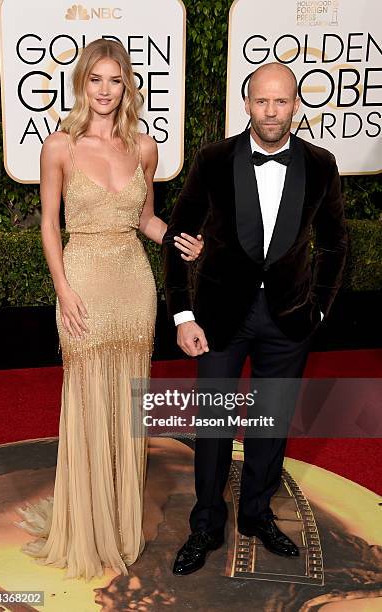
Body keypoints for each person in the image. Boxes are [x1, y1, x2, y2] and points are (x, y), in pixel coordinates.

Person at [16, 39, 203, 581]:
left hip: (132, 285)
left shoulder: (145, 148)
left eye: (114, 80)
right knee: (86, 396)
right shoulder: (59, 147)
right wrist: (63, 288)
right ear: (82, 84)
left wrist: (178, 241)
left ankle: (118, 524)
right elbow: (50, 225)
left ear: (127, 86)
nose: (104, 89)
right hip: (83, 282)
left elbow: (146, 218)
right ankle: (84, 523)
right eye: (95, 79)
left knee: (126, 399)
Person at [162, 62, 347, 575]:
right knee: (215, 424)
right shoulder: (214, 159)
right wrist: (182, 314)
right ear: (246, 104)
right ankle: (205, 525)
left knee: (271, 425)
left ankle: (257, 514)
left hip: (288, 321)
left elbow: (336, 243)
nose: (271, 111)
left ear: (296, 106)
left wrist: (320, 309)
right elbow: (178, 237)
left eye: (281, 102)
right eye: (262, 101)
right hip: (220, 318)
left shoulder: (319, 163)